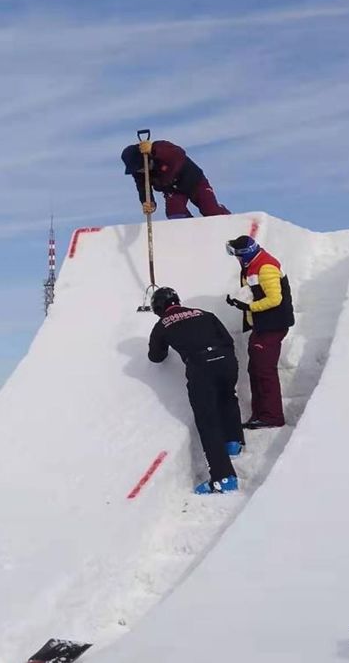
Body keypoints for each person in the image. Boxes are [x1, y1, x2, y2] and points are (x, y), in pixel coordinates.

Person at [147, 287, 244, 494]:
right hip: (226, 360)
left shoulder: (163, 324)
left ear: (158, 308)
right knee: (228, 396)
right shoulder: (204, 313)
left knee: (207, 420)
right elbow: (227, 338)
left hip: (201, 365)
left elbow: (155, 356)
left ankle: (223, 478)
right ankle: (233, 442)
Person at [225, 235, 295, 429]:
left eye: (237, 255)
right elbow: (253, 293)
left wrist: (249, 306)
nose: (236, 259)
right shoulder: (252, 265)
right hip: (262, 326)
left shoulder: (266, 267)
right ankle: (260, 414)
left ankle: (272, 416)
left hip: (272, 325)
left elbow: (275, 299)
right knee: (255, 369)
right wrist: (239, 302)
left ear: (245, 255)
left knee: (264, 370)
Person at [121, 139, 230, 219]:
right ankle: (191, 231)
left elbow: (179, 154)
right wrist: (149, 203)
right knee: (175, 214)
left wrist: (153, 150)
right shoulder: (139, 173)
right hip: (173, 190)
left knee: (211, 211)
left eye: (140, 167)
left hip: (194, 182)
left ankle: (229, 219)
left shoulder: (159, 148)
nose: (140, 171)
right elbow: (143, 188)